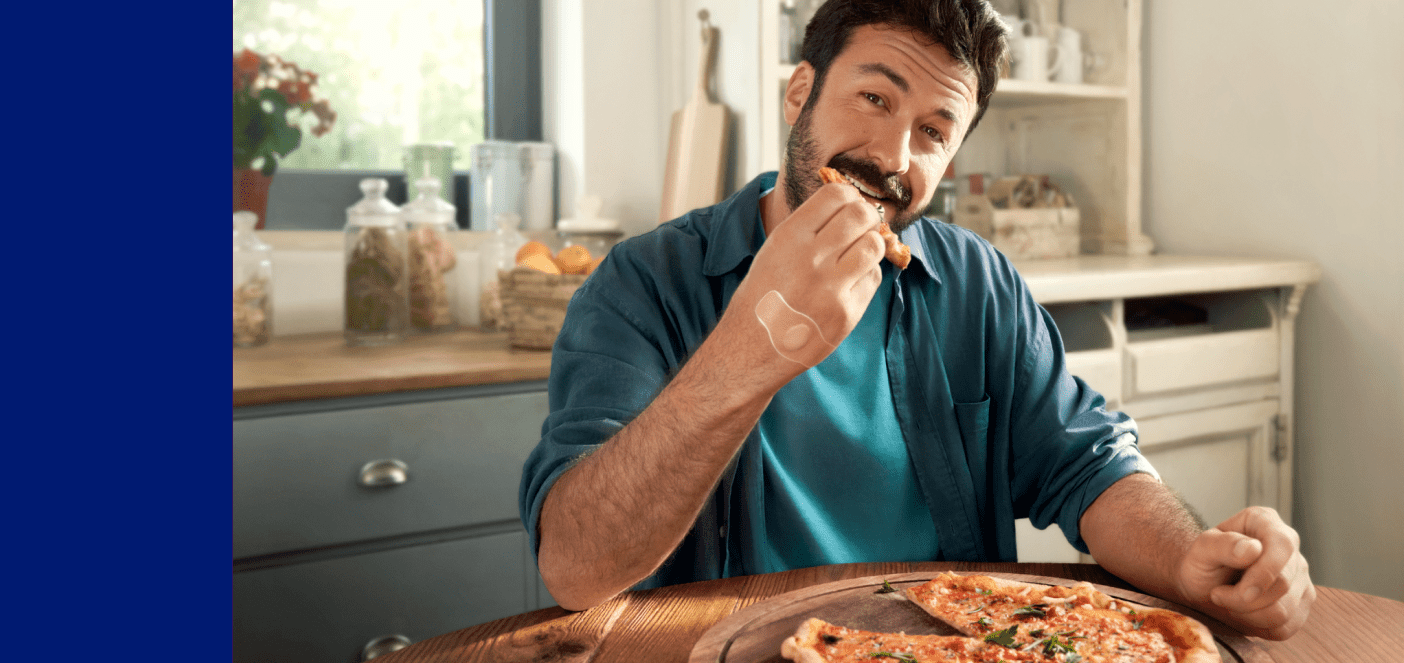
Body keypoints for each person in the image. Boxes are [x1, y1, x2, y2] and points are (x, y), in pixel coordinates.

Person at [514, 0, 1312, 641]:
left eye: (932, 131)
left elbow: (1089, 466)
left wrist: (1191, 557)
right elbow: (577, 567)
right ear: (801, 93)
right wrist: (753, 345)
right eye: (874, 97)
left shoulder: (977, 283)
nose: (895, 155)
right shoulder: (643, 282)